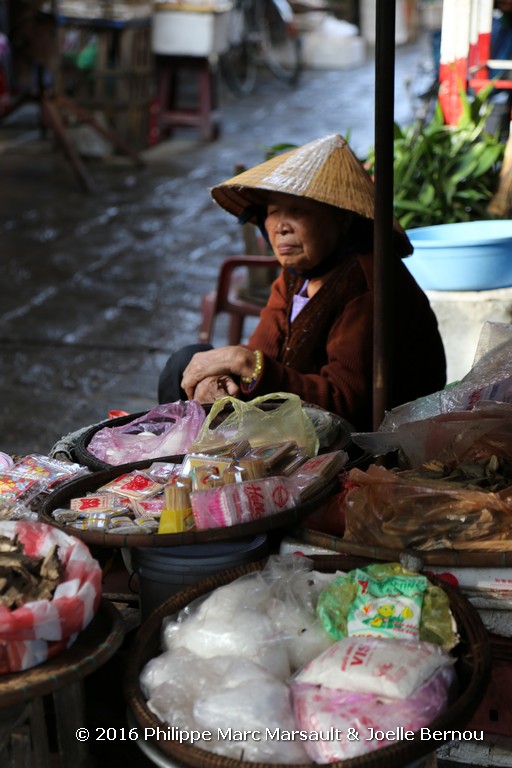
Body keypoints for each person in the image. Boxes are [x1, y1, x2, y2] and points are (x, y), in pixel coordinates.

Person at [158, 134, 446, 431]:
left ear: (342, 219)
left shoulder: (368, 284)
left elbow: (346, 404)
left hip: (371, 438)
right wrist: (221, 377)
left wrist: (243, 362)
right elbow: (264, 353)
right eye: (273, 212)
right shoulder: (298, 274)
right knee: (186, 362)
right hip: (306, 416)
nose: (281, 227)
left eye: (297, 211)